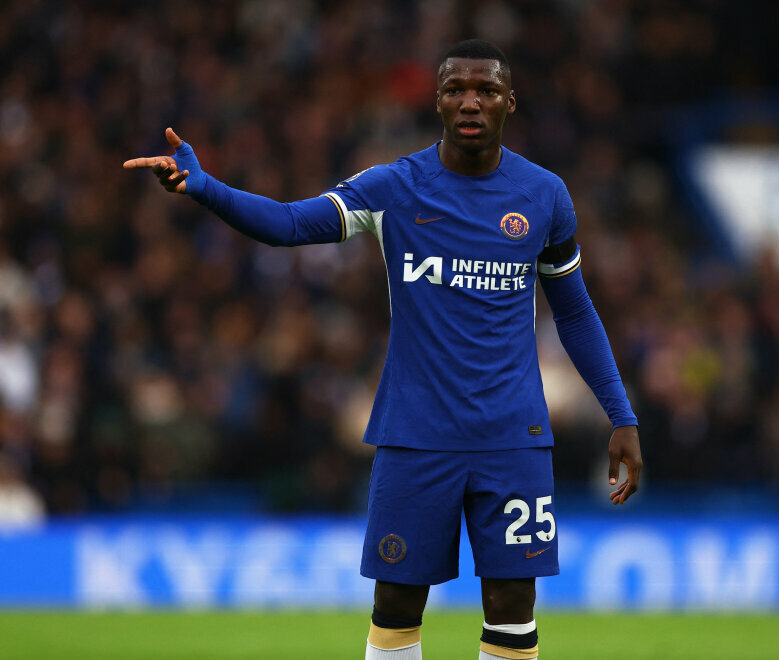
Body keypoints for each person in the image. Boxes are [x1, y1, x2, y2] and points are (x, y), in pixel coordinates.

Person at [125, 39, 642, 660]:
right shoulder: (395, 186)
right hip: (415, 435)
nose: (470, 102)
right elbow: (290, 224)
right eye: (455, 90)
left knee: (512, 606)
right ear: (437, 101)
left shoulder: (544, 195)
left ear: (510, 102)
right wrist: (204, 186)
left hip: (513, 436)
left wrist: (621, 414)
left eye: (486, 90)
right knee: (396, 605)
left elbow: (576, 313)